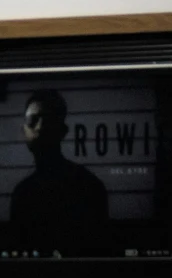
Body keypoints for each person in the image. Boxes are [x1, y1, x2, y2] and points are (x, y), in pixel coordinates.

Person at [8, 89, 110, 247]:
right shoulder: (22, 193)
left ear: (62, 131)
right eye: (32, 120)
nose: (40, 127)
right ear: (23, 131)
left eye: (48, 120)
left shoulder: (88, 187)